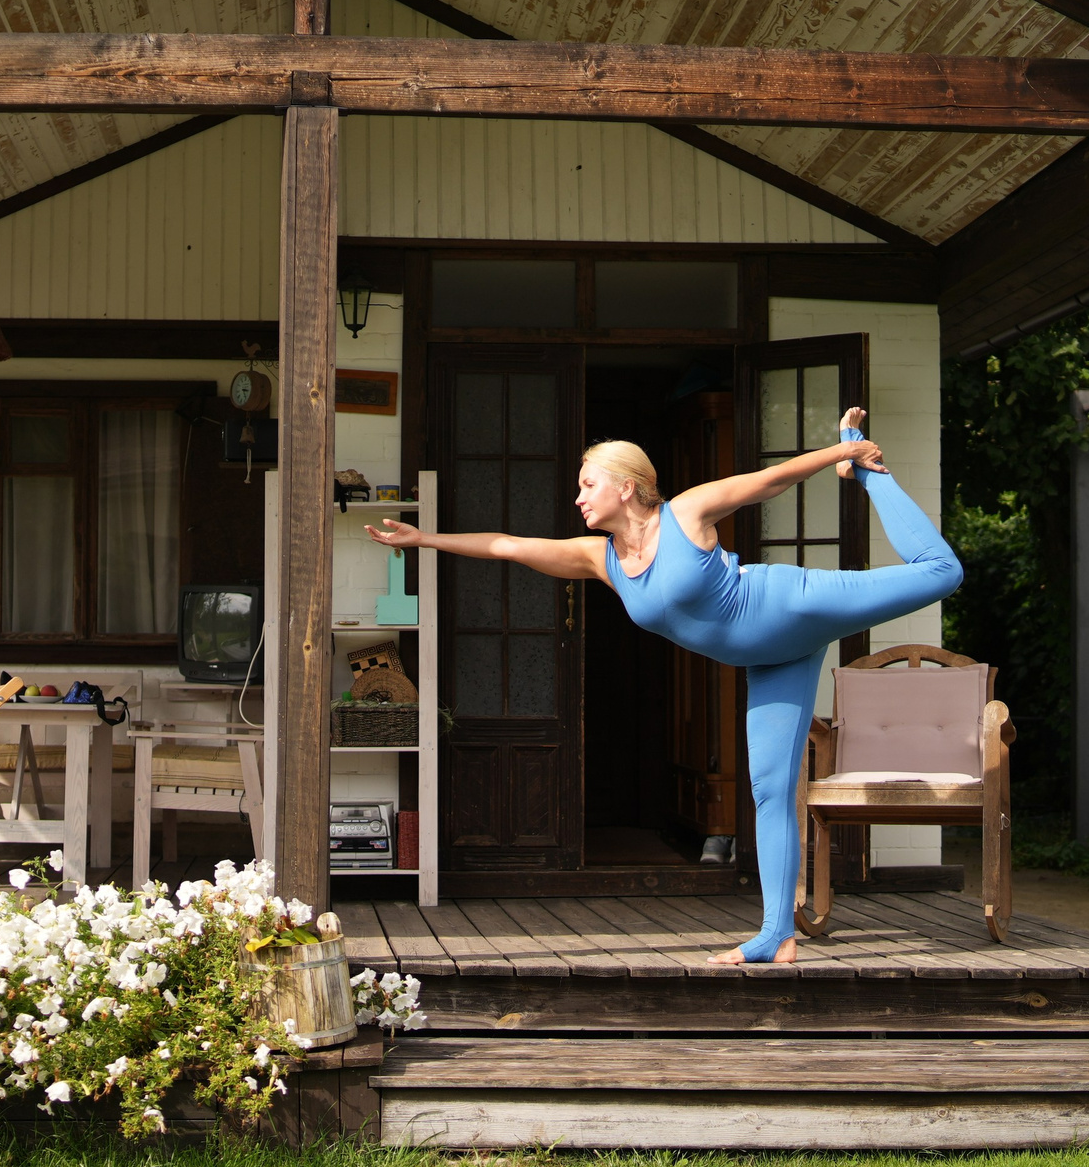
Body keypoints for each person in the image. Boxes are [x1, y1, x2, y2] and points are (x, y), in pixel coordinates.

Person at [366, 407, 962, 965]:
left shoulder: (686, 514)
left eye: (588, 485)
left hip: (795, 605)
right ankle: (777, 935)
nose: (577, 497)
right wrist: (425, 541)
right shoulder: (602, 559)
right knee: (770, 788)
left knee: (941, 573)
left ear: (626, 486)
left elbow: (770, 479)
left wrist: (846, 451)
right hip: (773, 662)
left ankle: (866, 473)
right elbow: (511, 547)